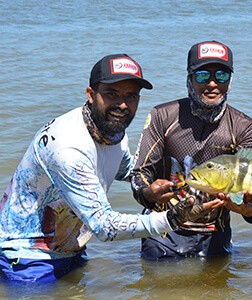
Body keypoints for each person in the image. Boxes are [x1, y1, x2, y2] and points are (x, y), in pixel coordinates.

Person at [0, 54, 223, 283]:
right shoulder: (68, 147)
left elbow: (126, 170)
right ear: (90, 94)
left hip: (71, 249)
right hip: (27, 258)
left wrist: (165, 183)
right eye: (112, 94)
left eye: (131, 96)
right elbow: (105, 227)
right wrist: (173, 218)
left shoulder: (112, 130)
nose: (122, 105)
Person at [131, 41, 252, 260]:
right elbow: (139, 173)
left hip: (215, 234)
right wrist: (148, 193)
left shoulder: (245, 128)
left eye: (222, 75)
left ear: (231, 80)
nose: (213, 84)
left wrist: (249, 208)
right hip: (163, 231)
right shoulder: (162, 117)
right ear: (189, 78)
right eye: (202, 75)